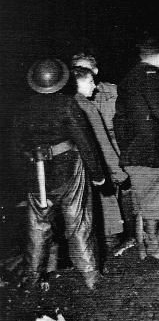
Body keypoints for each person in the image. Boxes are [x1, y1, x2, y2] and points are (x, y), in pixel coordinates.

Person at [10, 58, 106, 289]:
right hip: (69, 169)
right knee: (78, 221)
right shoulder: (67, 105)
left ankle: (33, 279)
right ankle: (91, 277)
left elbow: (14, 146)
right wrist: (97, 174)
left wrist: (25, 177)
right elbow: (85, 141)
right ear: (61, 81)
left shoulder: (23, 108)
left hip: (37, 173)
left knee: (37, 226)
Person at [113, 38, 159, 260]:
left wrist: (127, 147)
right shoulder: (155, 79)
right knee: (153, 205)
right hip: (153, 152)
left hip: (132, 153)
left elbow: (118, 122)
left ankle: (142, 251)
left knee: (140, 203)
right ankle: (155, 252)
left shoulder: (126, 81)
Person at [71, 66, 130, 254]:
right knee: (108, 208)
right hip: (93, 170)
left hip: (71, 173)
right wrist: (118, 172)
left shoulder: (67, 104)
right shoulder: (88, 108)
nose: (94, 86)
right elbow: (102, 144)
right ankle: (113, 251)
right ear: (77, 82)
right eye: (89, 81)